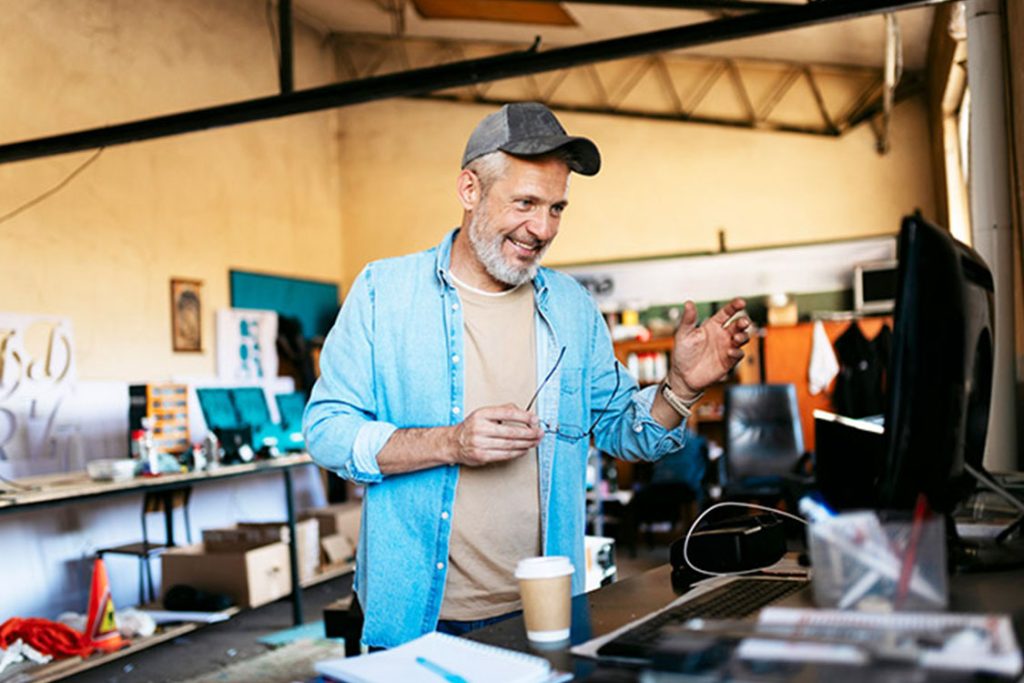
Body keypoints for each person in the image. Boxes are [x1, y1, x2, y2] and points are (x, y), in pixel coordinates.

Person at [303, 102, 751, 649]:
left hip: (544, 612)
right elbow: (326, 431)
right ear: (470, 189)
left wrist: (681, 387)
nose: (542, 229)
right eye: (526, 203)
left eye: (557, 208)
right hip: (414, 618)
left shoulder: (571, 307)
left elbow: (623, 430)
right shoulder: (384, 294)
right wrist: (451, 443)